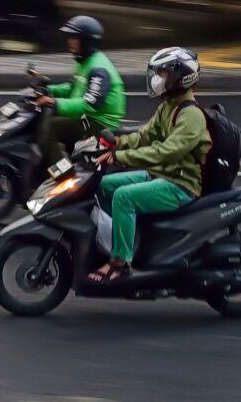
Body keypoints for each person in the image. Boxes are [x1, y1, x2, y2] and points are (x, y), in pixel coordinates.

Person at [88, 46, 212, 283]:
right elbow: (144, 136)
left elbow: (166, 152)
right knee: (103, 185)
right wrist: (116, 145)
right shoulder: (168, 107)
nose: (158, 79)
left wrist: (121, 158)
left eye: (163, 74)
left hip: (179, 185)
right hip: (159, 176)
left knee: (124, 197)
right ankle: (119, 241)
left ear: (181, 77)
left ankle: (120, 262)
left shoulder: (191, 116)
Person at [33, 15, 125, 173]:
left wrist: (55, 103)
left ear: (87, 41)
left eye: (74, 37)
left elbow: (89, 104)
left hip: (100, 124)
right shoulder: (84, 62)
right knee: (52, 123)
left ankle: (63, 175)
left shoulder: (99, 69)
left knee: (51, 128)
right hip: (88, 119)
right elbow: (72, 87)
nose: (69, 41)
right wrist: (49, 89)